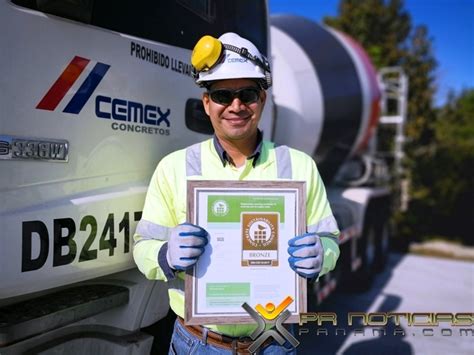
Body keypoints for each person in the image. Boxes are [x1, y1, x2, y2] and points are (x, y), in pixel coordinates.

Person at [133, 32, 340, 354]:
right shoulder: (174, 167)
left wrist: (322, 255)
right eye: (222, 95)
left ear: (263, 99)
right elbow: (143, 246)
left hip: (274, 342)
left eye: (248, 93)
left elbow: (329, 239)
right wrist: (165, 255)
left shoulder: (299, 166)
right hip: (197, 343)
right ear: (206, 103)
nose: (236, 106)